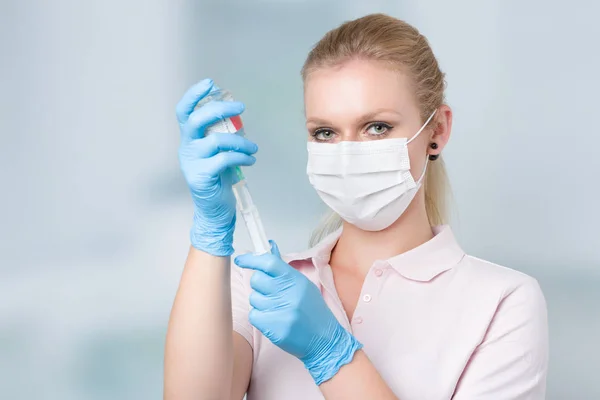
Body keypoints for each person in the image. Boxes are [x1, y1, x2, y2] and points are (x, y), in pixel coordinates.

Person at [164, 13, 548, 400]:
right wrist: (210, 232)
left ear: (437, 131)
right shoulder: (256, 286)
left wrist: (331, 354)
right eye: (325, 132)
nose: (347, 153)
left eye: (377, 127)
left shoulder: (501, 302)